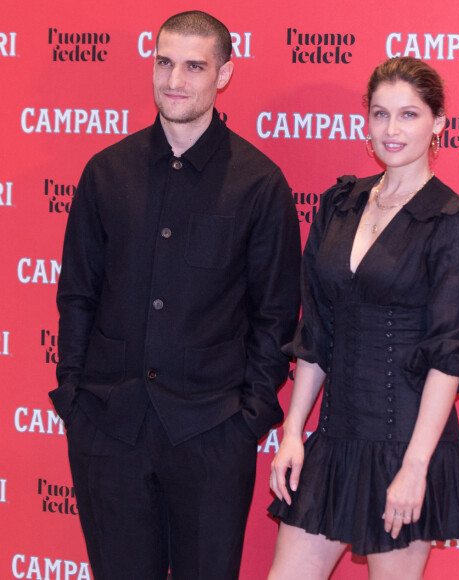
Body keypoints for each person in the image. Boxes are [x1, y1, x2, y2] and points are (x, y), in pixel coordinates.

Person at [49, 10, 301, 580]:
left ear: (225, 74)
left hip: (212, 436)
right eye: (164, 62)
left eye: (194, 66)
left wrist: (247, 421)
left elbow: (275, 316)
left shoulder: (260, 184)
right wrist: (75, 397)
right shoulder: (105, 172)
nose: (175, 80)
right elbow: (78, 294)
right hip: (110, 430)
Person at [268, 57, 459, 579]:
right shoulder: (339, 204)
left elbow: (448, 354)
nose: (392, 130)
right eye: (380, 114)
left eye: (409, 115)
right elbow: (317, 330)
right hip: (336, 436)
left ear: (438, 123)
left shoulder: (453, 222)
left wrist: (415, 468)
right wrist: (294, 431)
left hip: (406, 442)